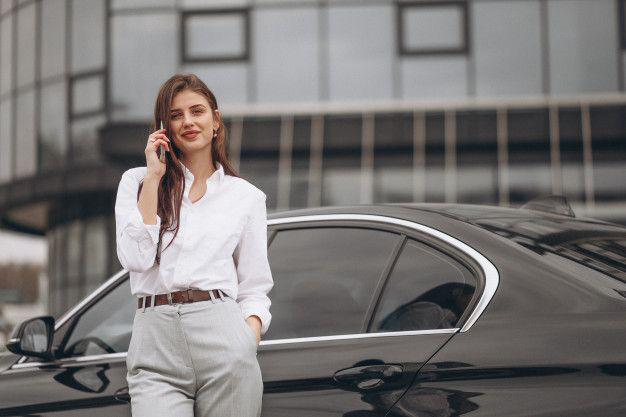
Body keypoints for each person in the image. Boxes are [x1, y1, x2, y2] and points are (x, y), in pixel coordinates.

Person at [115, 73, 273, 417]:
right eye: (175, 115)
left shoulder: (245, 197)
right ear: (163, 127)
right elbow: (135, 258)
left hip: (223, 334)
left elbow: (255, 286)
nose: (188, 121)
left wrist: (246, 341)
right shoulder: (137, 181)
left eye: (197, 111)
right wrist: (154, 177)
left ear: (215, 120)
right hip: (154, 339)